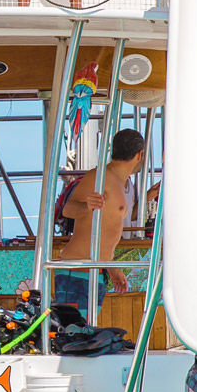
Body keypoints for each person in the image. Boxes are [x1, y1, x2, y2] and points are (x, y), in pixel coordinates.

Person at [51, 128, 147, 322]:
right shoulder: (99, 177)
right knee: (73, 333)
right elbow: (68, 209)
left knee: (84, 332)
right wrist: (86, 206)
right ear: (140, 155)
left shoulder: (118, 181)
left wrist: (110, 266)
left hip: (94, 268)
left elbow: (104, 232)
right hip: (78, 268)